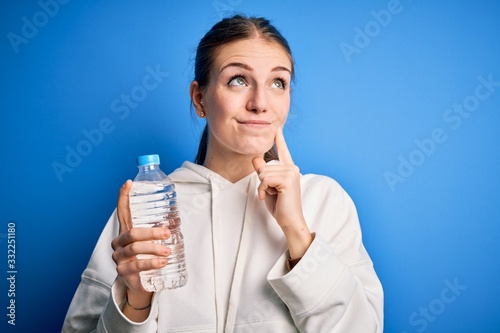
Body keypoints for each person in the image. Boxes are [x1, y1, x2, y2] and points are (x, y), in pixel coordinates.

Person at [62, 14, 384, 332]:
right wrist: (136, 300)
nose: (260, 103)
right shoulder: (148, 205)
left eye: (277, 82)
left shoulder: (324, 200)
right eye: (238, 80)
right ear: (199, 98)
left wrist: (298, 233)